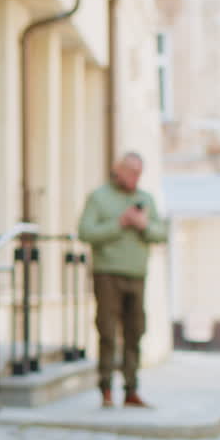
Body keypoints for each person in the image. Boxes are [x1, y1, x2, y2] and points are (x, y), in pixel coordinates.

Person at [76, 152, 168, 408]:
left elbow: (161, 233)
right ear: (118, 170)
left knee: (135, 331)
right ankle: (105, 388)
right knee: (107, 330)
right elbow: (85, 231)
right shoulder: (100, 197)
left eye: (139, 173)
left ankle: (131, 389)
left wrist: (143, 225)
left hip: (137, 274)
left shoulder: (145, 199)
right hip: (107, 273)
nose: (135, 178)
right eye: (131, 172)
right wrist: (120, 223)